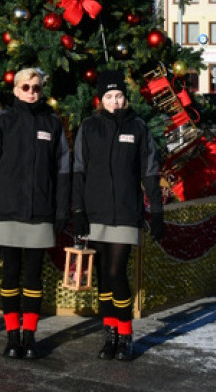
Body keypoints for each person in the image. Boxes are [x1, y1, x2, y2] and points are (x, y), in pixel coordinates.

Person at [0, 66, 70, 360]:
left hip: (40, 213)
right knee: (11, 275)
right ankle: (11, 336)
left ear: (42, 90)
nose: (31, 93)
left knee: (33, 276)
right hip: (8, 210)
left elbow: (63, 170)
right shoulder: (2, 120)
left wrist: (62, 212)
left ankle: (30, 337)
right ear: (15, 90)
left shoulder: (52, 123)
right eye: (25, 87)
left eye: (36, 88)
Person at [71, 70, 165, 362]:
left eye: (119, 96)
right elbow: (78, 171)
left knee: (116, 273)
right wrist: (77, 211)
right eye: (109, 97)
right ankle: (109, 333)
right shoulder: (89, 127)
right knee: (102, 276)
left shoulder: (137, 128)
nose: (114, 102)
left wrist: (157, 211)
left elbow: (149, 172)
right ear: (100, 99)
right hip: (96, 213)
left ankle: (125, 334)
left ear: (126, 98)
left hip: (126, 213)